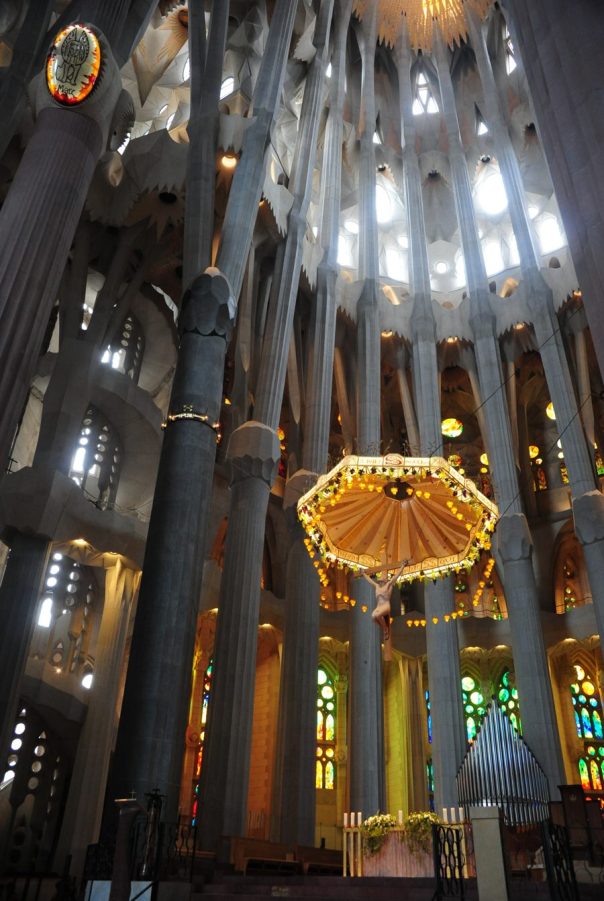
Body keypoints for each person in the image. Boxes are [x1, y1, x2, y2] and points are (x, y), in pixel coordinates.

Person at [361, 561, 407, 642]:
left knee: (377, 615)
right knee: (373, 617)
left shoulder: (388, 585)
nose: (381, 582)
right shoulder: (377, 586)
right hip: (379, 606)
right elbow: (370, 581)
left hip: (386, 606)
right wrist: (363, 573)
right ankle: (385, 628)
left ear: (384, 581)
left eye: (382, 581)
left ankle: (385, 629)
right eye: (380, 581)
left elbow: (396, 576)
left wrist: (402, 566)